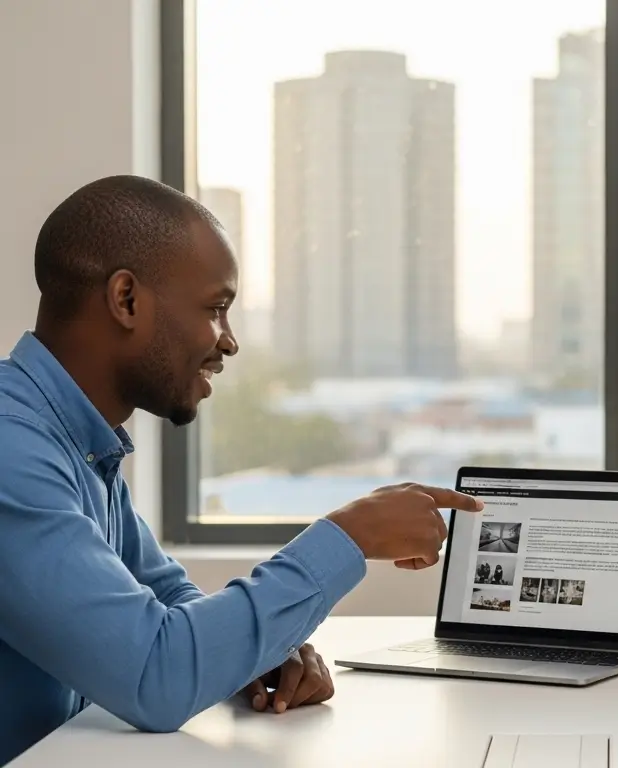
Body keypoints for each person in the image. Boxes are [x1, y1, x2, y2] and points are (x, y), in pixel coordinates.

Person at [0, 175, 483, 763]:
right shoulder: (12, 450)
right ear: (126, 299)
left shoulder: (74, 442)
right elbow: (157, 674)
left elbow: (169, 601)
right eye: (216, 309)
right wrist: (351, 537)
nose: (228, 343)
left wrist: (257, 652)